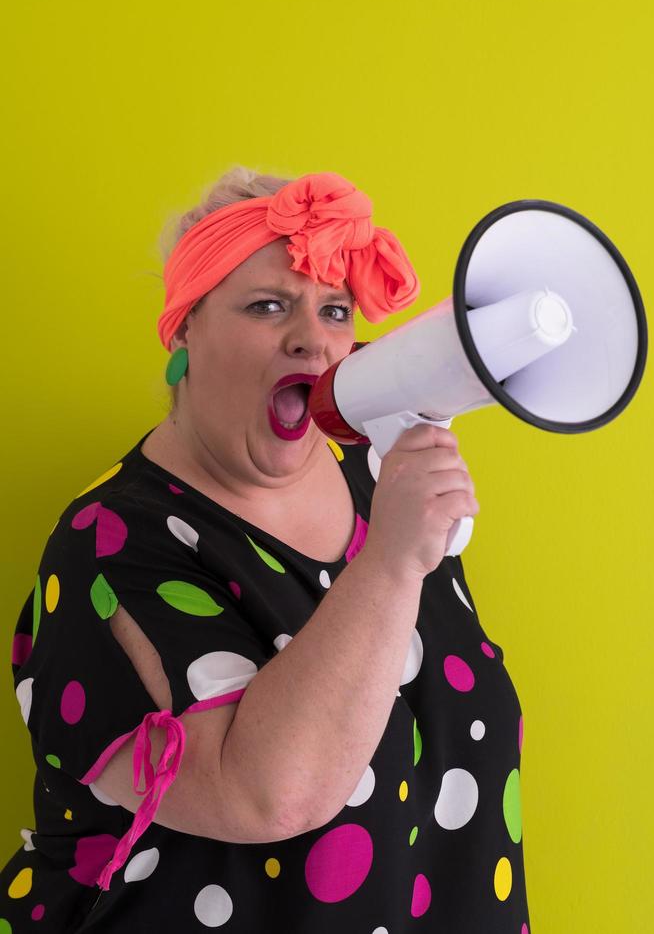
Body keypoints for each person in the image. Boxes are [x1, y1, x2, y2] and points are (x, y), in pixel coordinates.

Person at [1, 167, 530, 933]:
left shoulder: (378, 479)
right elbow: (267, 794)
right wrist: (389, 561)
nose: (311, 339)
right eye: (268, 305)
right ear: (185, 327)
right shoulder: (109, 546)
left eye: (336, 310)